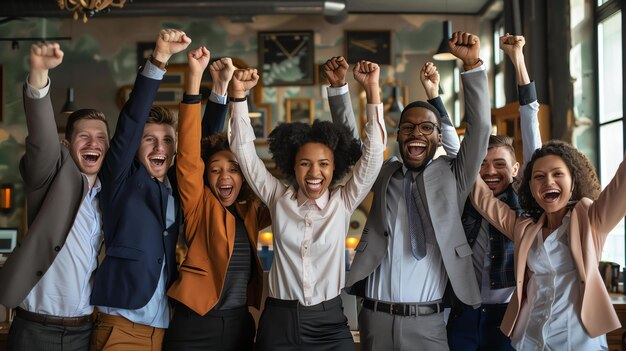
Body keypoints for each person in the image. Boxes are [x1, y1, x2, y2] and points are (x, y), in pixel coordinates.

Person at [331, 31, 491, 351]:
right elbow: (351, 150)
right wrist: (339, 89)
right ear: (399, 134)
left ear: (437, 136)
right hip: (375, 316)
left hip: (428, 322)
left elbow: (481, 128)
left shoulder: (455, 174)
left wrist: (472, 64)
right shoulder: (385, 171)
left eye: (426, 127)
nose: (416, 133)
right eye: (408, 127)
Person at [228, 61, 386, 350]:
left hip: (329, 321)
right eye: (305, 164)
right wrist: (238, 97)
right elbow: (244, 153)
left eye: (324, 164)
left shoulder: (343, 201)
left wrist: (372, 89)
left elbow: (374, 154)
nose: (315, 173)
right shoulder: (277, 197)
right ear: (292, 166)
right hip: (279, 319)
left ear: (334, 167)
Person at [0, 42, 109, 351]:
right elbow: (42, 140)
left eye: (101, 137)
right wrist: (39, 75)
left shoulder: (109, 195)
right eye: (84, 136)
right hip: (35, 329)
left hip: (84, 330)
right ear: (66, 143)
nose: (93, 142)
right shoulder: (49, 176)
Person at [162, 48, 271, 351]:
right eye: (215, 170)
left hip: (239, 324)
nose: (225, 177)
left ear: (244, 176)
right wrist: (195, 79)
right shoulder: (199, 205)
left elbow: (286, 197)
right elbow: (186, 156)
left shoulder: (251, 210)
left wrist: (240, 96)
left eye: (234, 170)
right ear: (205, 177)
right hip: (195, 323)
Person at [89, 29, 191, 351]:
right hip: (121, 325)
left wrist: (218, 93)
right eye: (150, 139)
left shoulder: (174, 189)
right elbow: (131, 123)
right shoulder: (120, 179)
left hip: (161, 328)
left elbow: (196, 149)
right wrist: (159, 59)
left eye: (167, 141)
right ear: (135, 148)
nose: (160, 147)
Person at [471, 140, 625, 350]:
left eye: (557, 174)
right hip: (529, 340)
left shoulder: (591, 220)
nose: (548, 182)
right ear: (531, 187)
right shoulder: (525, 228)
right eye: (539, 177)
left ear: (573, 180)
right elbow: (484, 200)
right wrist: (464, 154)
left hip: (576, 341)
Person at [446, 34, 542, 351]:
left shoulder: (528, 201)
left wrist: (518, 60)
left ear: (517, 170)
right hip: (465, 311)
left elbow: (531, 125)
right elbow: (452, 143)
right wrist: (435, 96)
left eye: (499, 164)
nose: (489, 171)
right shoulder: (469, 195)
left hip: (510, 312)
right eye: (482, 164)